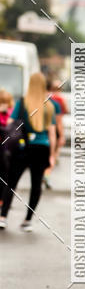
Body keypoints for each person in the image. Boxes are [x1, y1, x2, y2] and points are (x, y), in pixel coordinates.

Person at [0, 73, 56, 232]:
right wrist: (51, 155)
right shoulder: (49, 106)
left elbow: (10, 124)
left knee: (11, 183)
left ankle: (3, 217)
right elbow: (51, 133)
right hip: (42, 148)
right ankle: (27, 220)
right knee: (36, 185)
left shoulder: (22, 103)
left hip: (23, 148)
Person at [0, 89, 14, 210]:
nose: (3, 105)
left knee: (5, 175)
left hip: (7, 150)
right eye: (1, 102)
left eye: (5, 102)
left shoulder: (10, 113)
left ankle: (2, 198)